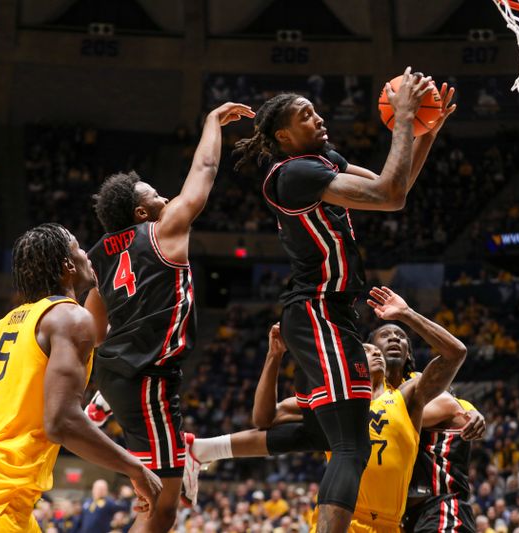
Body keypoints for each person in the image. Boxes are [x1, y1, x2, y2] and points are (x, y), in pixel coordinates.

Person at [231, 67, 456, 532]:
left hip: (334, 312)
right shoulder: (292, 173)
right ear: (284, 136)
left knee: (343, 433)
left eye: (315, 112)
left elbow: (396, 185)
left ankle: (208, 449)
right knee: (350, 444)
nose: (319, 119)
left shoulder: (322, 160)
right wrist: (405, 119)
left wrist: (422, 133)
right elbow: (388, 194)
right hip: (314, 308)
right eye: (306, 116)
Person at [0, 224, 162, 532]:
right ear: (68, 266)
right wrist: (135, 468)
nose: (87, 254)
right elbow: (62, 422)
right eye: (79, 248)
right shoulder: (70, 318)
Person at [83, 102, 254, 532]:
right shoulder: (165, 230)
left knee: (153, 492)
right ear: (142, 213)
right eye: (156, 196)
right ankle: (112, 407)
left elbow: (92, 330)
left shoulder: (99, 255)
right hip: (146, 381)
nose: (166, 198)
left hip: (120, 372)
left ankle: (103, 403)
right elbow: (206, 169)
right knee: (161, 504)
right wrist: (212, 123)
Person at [186, 286, 468, 532]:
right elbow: (265, 418)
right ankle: (202, 450)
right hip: (342, 514)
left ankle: (203, 450)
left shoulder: (409, 396)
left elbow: (455, 354)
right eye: (368, 349)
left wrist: (406, 313)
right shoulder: (337, 399)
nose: (378, 351)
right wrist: (274, 357)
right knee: (306, 432)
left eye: (382, 347)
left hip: (390, 523)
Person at [368, 302, 485, 533]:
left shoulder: (421, 387)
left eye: (400, 336)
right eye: (385, 335)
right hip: (399, 518)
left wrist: (469, 408)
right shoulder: (368, 397)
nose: (394, 339)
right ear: (368, 352)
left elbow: (452, 407)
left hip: (440, 505)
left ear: (408, 352)